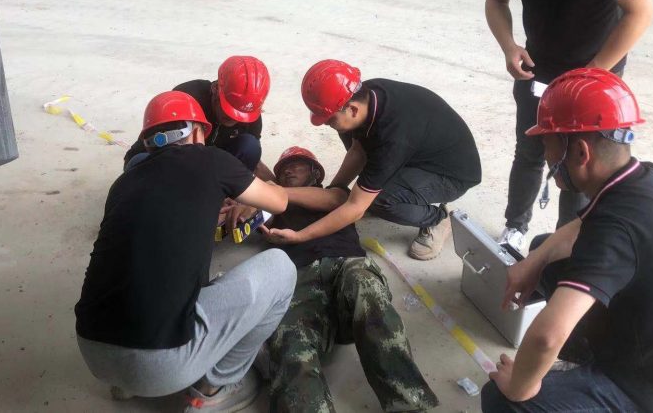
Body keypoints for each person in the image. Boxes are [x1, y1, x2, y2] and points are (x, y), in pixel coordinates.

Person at [75, 91, 296, 412]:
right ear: (197, 133)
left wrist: (204, 211)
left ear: (149, 143)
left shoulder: (122, 184)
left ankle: (124, 385)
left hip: (93, 353)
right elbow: (280, 202)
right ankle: (214, 389)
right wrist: (267, 189)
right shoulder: (212, 160)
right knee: (280, 268)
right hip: (161, 367)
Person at [481, 0, 653, 250]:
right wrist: (509, 46)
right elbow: (496, 0)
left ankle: (565, 243)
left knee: (579, 163)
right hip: (537, 70)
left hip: (595, 73)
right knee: (530, 150)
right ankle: (515, 228)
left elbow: (639, 13)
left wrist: (592, 73)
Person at [481, 68, 653, 413]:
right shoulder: (647, 177)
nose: (545, 156)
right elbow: (581, 226)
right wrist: (535, 260)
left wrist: (518, 386)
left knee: (503, 400)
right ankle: (583, 362)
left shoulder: (616, 228)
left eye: (547, 144)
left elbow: (546, 337)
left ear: (580, 153)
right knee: (546, 250)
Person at [254, 146, 439, 412]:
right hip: (298, 280)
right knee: (286, 339)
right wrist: (256, 198)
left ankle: (409, 404)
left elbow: (333, 200)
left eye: (296, 164)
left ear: (316, 173)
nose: (288, 171)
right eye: (282, 169)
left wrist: (275, 189)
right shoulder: (273, 207)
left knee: (365, 284)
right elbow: (252, 182)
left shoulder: (335, 193)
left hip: (346, 265)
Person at [265, 59, 480, 261]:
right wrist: (334, 191)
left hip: (450, 174)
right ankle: (382, 188)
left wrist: (301, 235)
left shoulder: (392, 138)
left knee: (380, 200)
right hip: (419, 148)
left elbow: (356, 207)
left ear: (352, 109)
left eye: (329, 119)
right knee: (349, 135)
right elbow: (358, 150)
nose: (326, 124)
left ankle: (438, 218)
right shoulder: (365, 96)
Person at [124, 55, 276, 180]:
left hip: (214, 164)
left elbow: (254, 161)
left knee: (250, 146)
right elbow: (163, 152)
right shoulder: (186, 99)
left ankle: (228, 193)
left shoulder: (250, 114)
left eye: (241, 114)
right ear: (215, 88)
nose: (234, 118)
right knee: (138, 163)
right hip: (174, 161)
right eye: (229, 109)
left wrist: (279, 187)